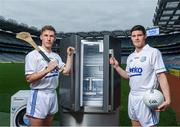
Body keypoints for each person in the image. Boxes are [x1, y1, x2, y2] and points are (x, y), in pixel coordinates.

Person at [110, 25, 171, 127]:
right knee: (135, 123)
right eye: (134, 36)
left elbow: (161, 76)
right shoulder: (131, 57)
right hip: (132, 96)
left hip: (147, 96)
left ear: (145, 36)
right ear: (131, 38)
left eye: (139, 35)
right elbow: (128, 76)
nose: (136, 38)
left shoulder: (153, 52)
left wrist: (168, 99)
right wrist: (116, 67)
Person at [25, 25, 74, 126]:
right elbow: (29, 78)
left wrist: (69, 56)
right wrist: (48, 70)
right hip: (39, 96)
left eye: (51, 36)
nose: (48, 38)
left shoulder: (55, 56)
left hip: (52, 94)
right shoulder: (32, 55)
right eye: (46, 35)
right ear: (41, 37)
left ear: (54, 38)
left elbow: (66, 71)